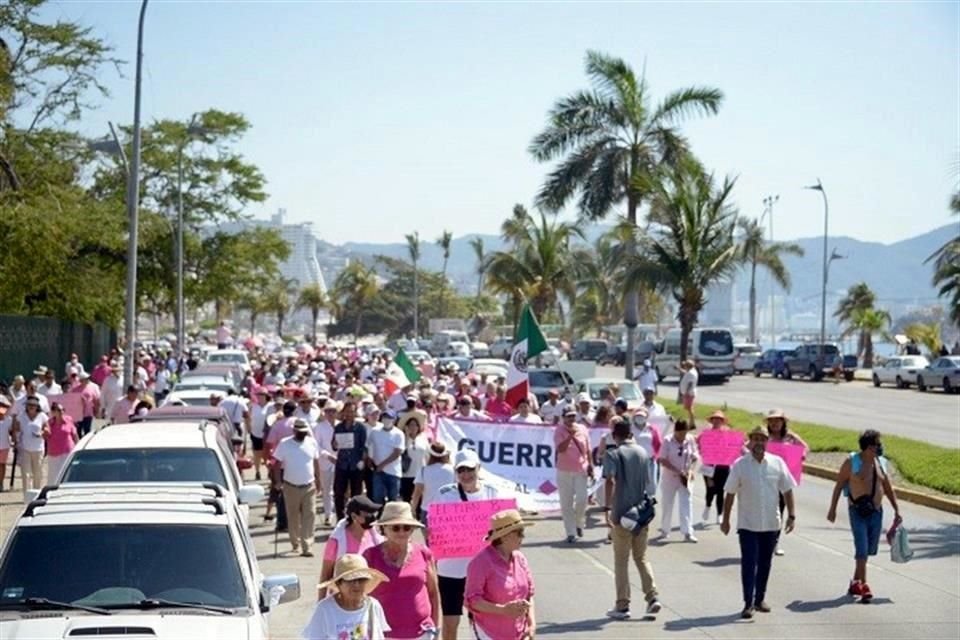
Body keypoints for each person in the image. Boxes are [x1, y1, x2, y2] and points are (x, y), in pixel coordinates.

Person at [721, 426, 797, 619]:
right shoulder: (740, 465)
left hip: (771, 523)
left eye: (762, 439)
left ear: (767, 442)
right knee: (749, 563)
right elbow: (730, 492)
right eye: (755, 439)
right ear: (749, 442)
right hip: (748, 524)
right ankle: (748, 603)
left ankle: (759, 598)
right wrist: (726, 519)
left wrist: (792, 515)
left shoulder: (777, 463)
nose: (759, 443)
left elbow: (787, 489)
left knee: (765, 563)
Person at [435, 449, 504, 640]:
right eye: (461, 470)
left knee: (483, 621)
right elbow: (435, 529)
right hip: (451, 570)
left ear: (479, 468)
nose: (466, 475)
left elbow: (502, 527)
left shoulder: (492, 491)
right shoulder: (445, 494)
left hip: (482, 569)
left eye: (470, 469)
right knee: (450, 623)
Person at [827, 429, 900, 602]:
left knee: (868, 550)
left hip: (876, 512)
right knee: (862, 548)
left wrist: (897, 509)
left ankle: (855, 582)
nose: (880, 447)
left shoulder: (880, 462)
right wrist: (833, 509)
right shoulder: (852, 462)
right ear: (868, 447)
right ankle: (865, 585)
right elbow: (839, 486)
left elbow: (888, 487)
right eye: (877, 444)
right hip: (857, 511)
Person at [602, 419, 661, 620]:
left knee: (621, 561)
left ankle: (622, 604)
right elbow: (649, 485)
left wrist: (607, 508)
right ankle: (652, 596)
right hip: (641, 514)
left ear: (614, 435)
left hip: (622, 514)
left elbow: (609, 480)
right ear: (630, 433)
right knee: (641, 557)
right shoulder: (643, 453)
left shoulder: (613, 454)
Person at [364, 502, 440, 639]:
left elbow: (433, 593)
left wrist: (436, 628)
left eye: (407, 528)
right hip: (383, 633)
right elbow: (361, 595)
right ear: (384, 529)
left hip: (423, 631)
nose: (401, 532)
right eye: (395, 528)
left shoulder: (424, 552)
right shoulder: (370, 556)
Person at [465, 509, 537, 640]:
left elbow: (529, 595)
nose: (523, 537)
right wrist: (503, 610)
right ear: (504, 536)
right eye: (519, 533)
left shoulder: (520, 559)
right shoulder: (481, 562)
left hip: (519, 633)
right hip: (489, 634)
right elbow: (472, 600)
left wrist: (532, 624)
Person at [303, 553, 391, 640]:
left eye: (361, 579)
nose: (357, 584)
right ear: (338, 584)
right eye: (351, 580)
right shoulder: (324, 609)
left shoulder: (373, 605)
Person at [272, 419, 322, 557]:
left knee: (310, 515)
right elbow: (276, 463)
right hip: (290, 485)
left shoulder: (311, 442)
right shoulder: (285, 443)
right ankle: (296, 543)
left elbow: (316, 462)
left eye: (304, 432)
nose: (302, 434)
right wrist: (277, 481)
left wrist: (319, 480)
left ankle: (307, 546)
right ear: (294, 431)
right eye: (299, 432)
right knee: (293, 516)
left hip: (309, 485)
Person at [765, 409, 809, 555]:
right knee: (765, 512)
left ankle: (774, 543)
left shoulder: (790, 437)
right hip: (765, 481)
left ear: (783, 422)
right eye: (771, 421)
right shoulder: (764, 437)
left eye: (777, 420)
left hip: (782, 482)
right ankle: (764, 540)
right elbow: (746, 447)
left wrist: (799, 457)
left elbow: (805, 448)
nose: (774, 424)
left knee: (779, 512)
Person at [321, 495, 386, 584]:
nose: (372, 517)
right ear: (354, 516)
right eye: (367, 514)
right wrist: (322, 598)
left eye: (373, 514)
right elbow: (326, 575)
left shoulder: (376, 539)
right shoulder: (336, 541)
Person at [657, 419, 700, 542]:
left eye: (684, 433)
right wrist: (676, 470)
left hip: (685, 477)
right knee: (667, 503)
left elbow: (694, 457)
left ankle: (687, 532)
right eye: (680, 433)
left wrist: (691, 471)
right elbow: (662, 459)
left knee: (686, 503)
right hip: (670, 477)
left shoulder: (690, 439)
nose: (682, 436)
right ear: (675, 431)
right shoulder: (668, 440)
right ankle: (665, 530)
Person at [554, 408, 593, 543]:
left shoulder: (582, 428)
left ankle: (579, 524)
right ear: (563, 417)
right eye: (568, 417)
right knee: (566, 503)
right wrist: (570, 436)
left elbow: (588, 449)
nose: (571, 419)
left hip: (580, 469)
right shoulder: (559, 430)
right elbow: (560, 449)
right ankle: (570, 532)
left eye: (573, 416)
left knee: (582, 499)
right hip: (564, 470)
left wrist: (591, 466)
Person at [411, 441, 456, 536]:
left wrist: (413, 509)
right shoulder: (453, 470)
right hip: (447, 511)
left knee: (428, 541)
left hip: (427, 510)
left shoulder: (424, 470)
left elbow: (417, 492)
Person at [333, 401, 368, 519]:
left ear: (355, 413)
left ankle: (354, 518)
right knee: (339, 493)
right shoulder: (338, 427)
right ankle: (340, 518)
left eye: (352, 411)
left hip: (355, 464)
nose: (349, 414)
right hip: (342, 464)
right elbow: (334, 445)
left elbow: (364, 446)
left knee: (356, 494)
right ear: (343, 412)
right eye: (347, 411)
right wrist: (334, 444)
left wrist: (362, 460)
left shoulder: (360, 428)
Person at [699, 410, 732, 527]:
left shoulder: (727, 434)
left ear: (722, 422)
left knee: (721, 491)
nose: (717, 421)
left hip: (723, 467)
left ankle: (719, 514)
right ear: (712, 421)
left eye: (719, 419)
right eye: (715, 419)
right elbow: (701, 449)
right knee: (710, 490)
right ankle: (708, 506)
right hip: (709, 467)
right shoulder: (706, 434)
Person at [367, 407, 405, 504]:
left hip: (393, 472)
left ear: (394, 419)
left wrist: (382, 465)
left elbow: (397, 452)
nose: (386, 420)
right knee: (377, 498)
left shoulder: (399, 434)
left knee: (393, 500)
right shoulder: (375, 431)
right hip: (378, 472)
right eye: (385, 417)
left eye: (389, 417)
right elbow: (369, 446)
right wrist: (369, 460)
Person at [14, 396, 48, 498]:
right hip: (25, 448)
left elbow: (47, 429)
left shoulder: (42, 416)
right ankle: (27, 496)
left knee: (37, 473)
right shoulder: (21, 415)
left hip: (38, 448)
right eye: (29, 405)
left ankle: (37, 494)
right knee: (26, 474)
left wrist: (42, 433)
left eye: (33, 405)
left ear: (37, 406)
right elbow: (16, 429)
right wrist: (16, 439)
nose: (31, 407)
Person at [45, 402, 79, 481]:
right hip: (54, 453)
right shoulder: (49, 423)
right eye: (59, 410)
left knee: (66, 473)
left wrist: (78, 446)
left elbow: (74, 434)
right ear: (53, 412)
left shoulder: (68, 420)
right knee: (53, 475)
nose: (62, 412)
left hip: (67, 451)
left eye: (63, 410)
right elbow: (46, 436)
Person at [400, 416, 429, 503]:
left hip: (420, 474)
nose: (413, 428)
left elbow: (428, 455)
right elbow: (401, 452)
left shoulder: (423, 439)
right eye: (411, 425)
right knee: (407, 498)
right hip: (406, 474)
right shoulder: (403, 439)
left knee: (420, 499)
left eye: (415, 425)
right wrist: (406, 437)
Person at [678, 359, 698, 427]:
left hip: (689, 393)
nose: (684, 366)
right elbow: (685, 372)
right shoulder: (691, 371)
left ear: (688, 366)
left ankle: (692, 423)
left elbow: (690, 383)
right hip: (689, 393)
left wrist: (686, 392)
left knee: (689, 408)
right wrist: (679, 369)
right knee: (689, 408)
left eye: (685, 365)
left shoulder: (691, 373)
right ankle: (691, 422)